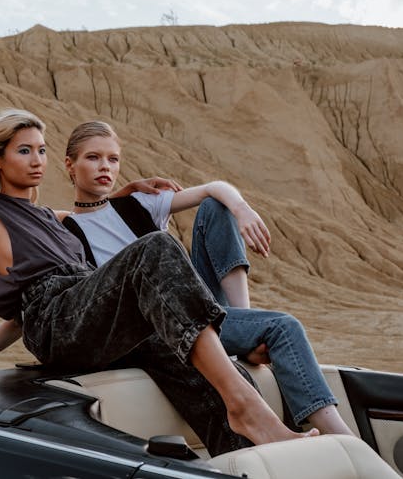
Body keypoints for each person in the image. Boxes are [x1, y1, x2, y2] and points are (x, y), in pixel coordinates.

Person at [0, 109, 318, 447]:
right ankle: (247, 410)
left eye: (42, 149)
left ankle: (246, 452)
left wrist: (124, 191)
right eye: (24, 151)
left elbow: (94, 231)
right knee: (155, 248)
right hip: (56, 324)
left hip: (84, 317)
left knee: (178, 351)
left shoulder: (55, 218)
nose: (37, 160)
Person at [61, 120, 354, 436]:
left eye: (113, 159)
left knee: (217, 206)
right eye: (93, 158)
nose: (105, 166)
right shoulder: (65, 228)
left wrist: (242, 210)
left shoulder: (138, 204)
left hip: (199, 309)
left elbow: (216, 188)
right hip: (162, 327)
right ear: (70, 165)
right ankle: (343, 439)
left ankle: (244, 322)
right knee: (284, 326)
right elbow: (35, 216)